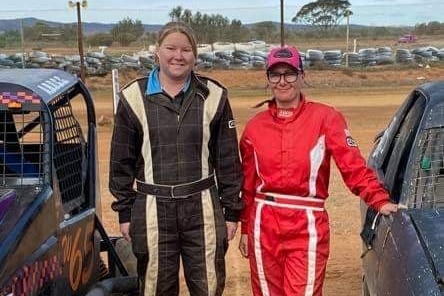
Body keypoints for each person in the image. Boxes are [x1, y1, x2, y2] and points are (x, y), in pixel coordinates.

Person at [238, 45, 398, 296]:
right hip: (263, 223)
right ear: (267, 80)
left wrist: (378, 199)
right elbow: (247, 184)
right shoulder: (254, 128)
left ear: (302, 76)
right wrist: (246, 228)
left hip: (307, 223)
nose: (283, 81)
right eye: (275, 74)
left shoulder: (326, 118)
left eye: (290, 73)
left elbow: (352, 165)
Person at [109, 21, 243, 296]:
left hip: (203, 207)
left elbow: (228, 160)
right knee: (155, 287)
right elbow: (121, 162)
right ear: (157, 51)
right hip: (152, 208)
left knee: (208, 286)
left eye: (186, 49)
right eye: (171, 48)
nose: (178, 56)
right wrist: (125, 212)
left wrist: (231, 212)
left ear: (195, 55)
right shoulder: (132, 97)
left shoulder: (215, 96)